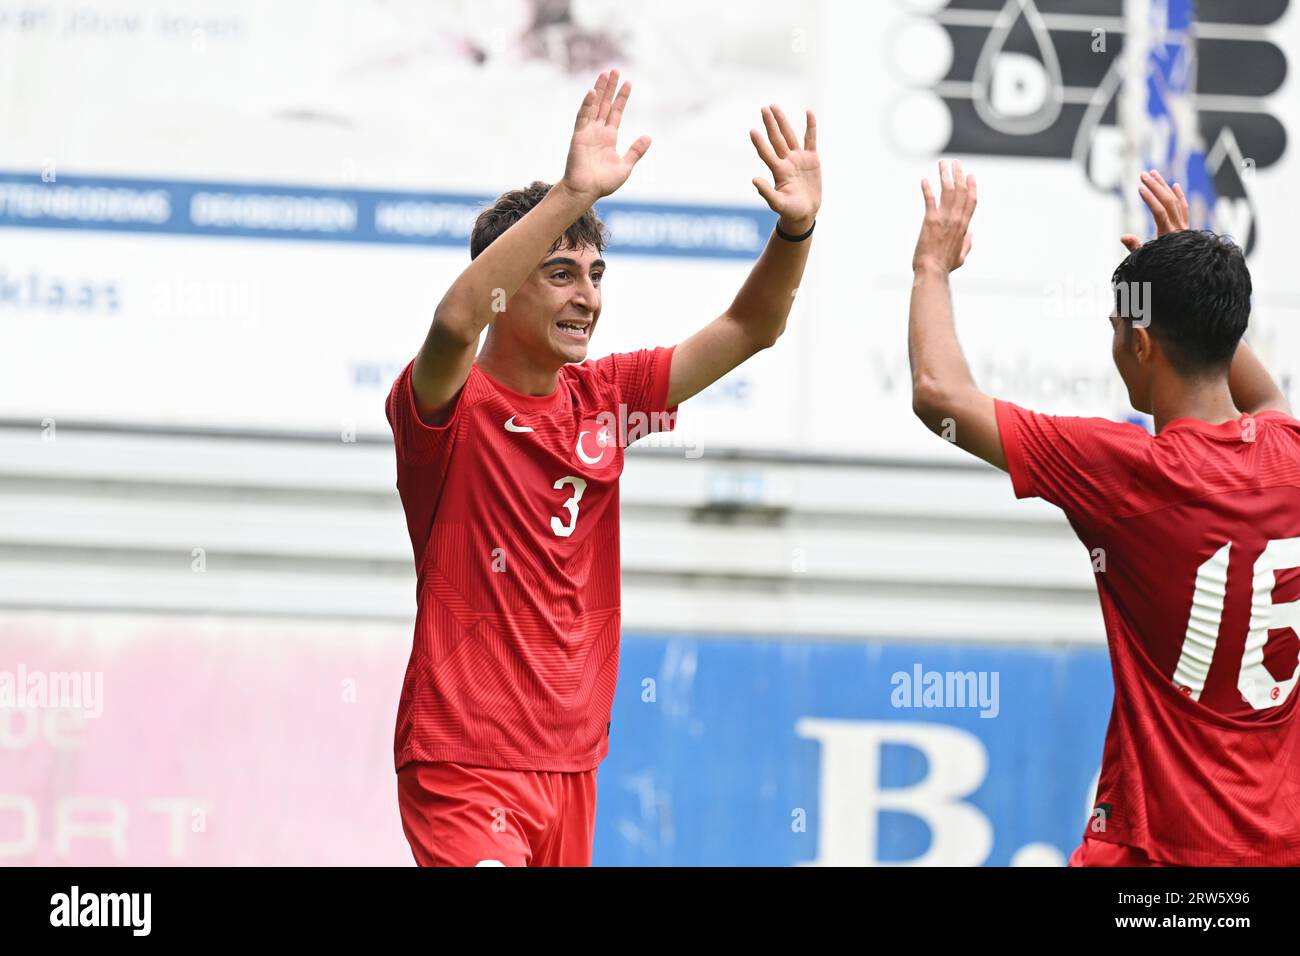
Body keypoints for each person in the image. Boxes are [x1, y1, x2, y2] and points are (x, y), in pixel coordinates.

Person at [386, 70, 821, 865]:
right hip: (464, 763)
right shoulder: (450, 404)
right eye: (560, 273)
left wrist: (795, 233)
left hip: (572, 766)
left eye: (595, 275)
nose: (586, 295)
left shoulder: (609, 398)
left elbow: (753, 326)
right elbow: (454, 322)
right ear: (506, 287)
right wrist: (570, 192)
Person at [908, 160, 1300, 866]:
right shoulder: (1288, 453)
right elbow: (1266, 398)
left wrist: (931, 268)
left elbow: (939, 395)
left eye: (1120, 329)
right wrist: (1191, 285)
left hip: (1161, 856)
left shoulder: (1130, 474)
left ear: (1141, 345)